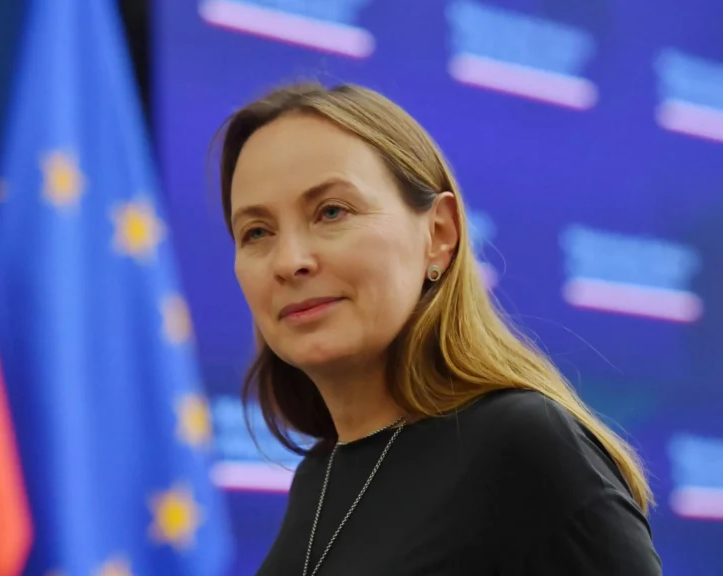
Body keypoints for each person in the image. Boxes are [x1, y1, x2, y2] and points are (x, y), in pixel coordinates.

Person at [214, 82, 662, 575]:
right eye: (257, 232)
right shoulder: (316, 480)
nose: (289, 261)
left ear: (439, 234)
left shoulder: (524, 444)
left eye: (332, 212)